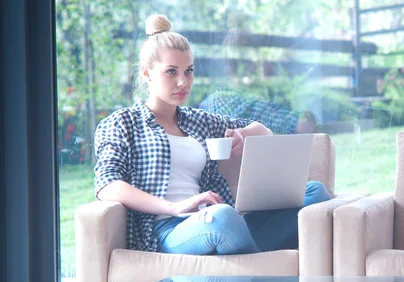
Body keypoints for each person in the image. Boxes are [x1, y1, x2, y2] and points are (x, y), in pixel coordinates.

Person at [93, 14, 331, 256]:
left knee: (315, 192)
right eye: (171, 72)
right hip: (168, 229)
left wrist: (242, 133)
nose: (183, 82)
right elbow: (107, 184)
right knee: (224, 217)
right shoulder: (122, 122)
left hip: (216, 219)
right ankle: (257, 260)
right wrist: (175, 207)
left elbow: (263, 129)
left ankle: (241, 253)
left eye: (189, 71)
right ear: (147, 74)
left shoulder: (198, 120)